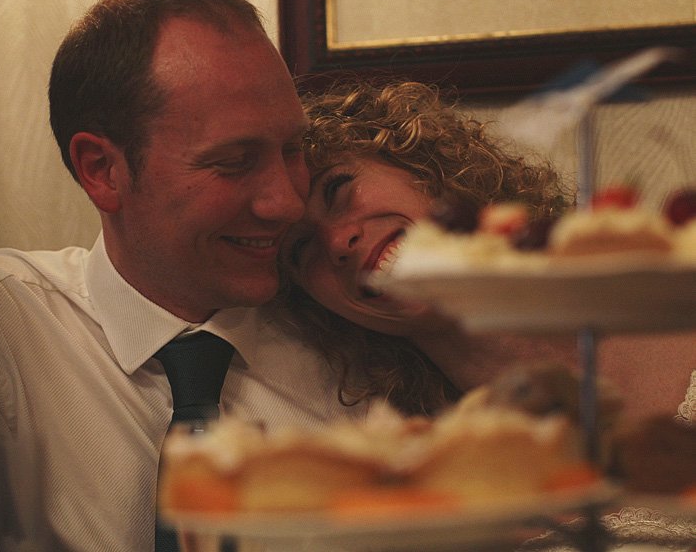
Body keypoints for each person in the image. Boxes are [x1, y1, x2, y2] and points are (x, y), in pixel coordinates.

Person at [0, 0, 364, 552]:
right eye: (233, 163)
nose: (284, 200)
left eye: (292, 151)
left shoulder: (346, 335)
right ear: (102, 170)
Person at [277, 78, 696, 548]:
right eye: (299, 249)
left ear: (422, 167)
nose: (336, 242)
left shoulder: (679, 295)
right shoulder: (433, 488)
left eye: (338, 190)